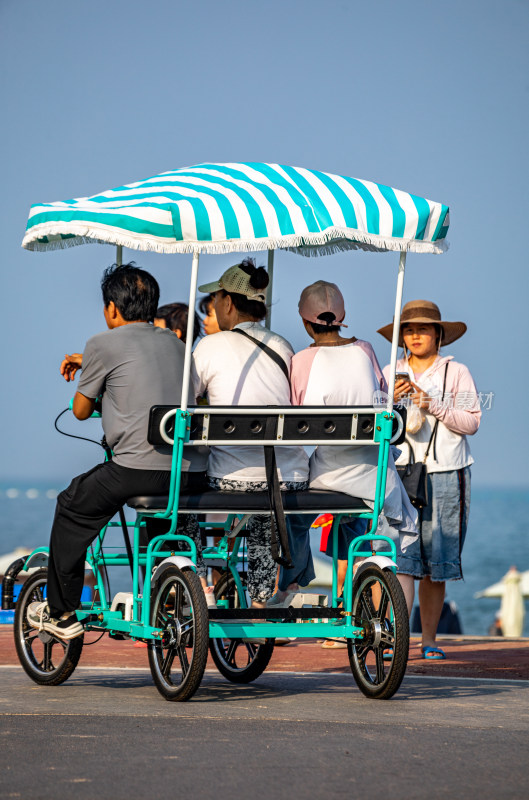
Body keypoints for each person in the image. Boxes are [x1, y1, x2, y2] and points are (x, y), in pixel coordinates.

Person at [27, 263, 207, 640]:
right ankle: (162, 597)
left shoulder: (101, 343)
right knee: (158, 521)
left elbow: (79, 411)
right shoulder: (179, 346)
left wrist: (92, 382)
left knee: (72, 505)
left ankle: (61, 611)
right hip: (187, 472)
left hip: (134, 469)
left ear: (112, 308)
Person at [288, 281, 418, 645]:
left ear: (304, 322)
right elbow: (383, 403)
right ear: (342, 319)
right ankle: (353, 602)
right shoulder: (366, 350)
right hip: (375, 480)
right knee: (352, 520)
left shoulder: (301, 361)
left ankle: (293, 580)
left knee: (291, 519)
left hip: (329, 476)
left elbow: (295, 420)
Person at [192, 259, 310, 606]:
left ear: (228, 302)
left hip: (234, 480)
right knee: (263, 503)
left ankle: (201, 585)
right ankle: (259, 598)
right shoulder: (283, 346)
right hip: (289, 478)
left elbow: (186, 401)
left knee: (179, 503)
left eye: (215, 298)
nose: (213, 305)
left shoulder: (209, 347)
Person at [378, 299, 481, 660]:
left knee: (436, 565)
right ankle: (396, 639)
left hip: (447, 472)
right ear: (401, 336)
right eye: (408, 329)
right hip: (399, 472)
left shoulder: (457, 373)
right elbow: (375, 422)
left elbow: (472, 422)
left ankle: (430, 640)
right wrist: (388, 400)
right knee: (398, 559)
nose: (415, 335)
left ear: (439, 334)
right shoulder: (390, 371)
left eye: (423, 328)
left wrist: (429, 402)